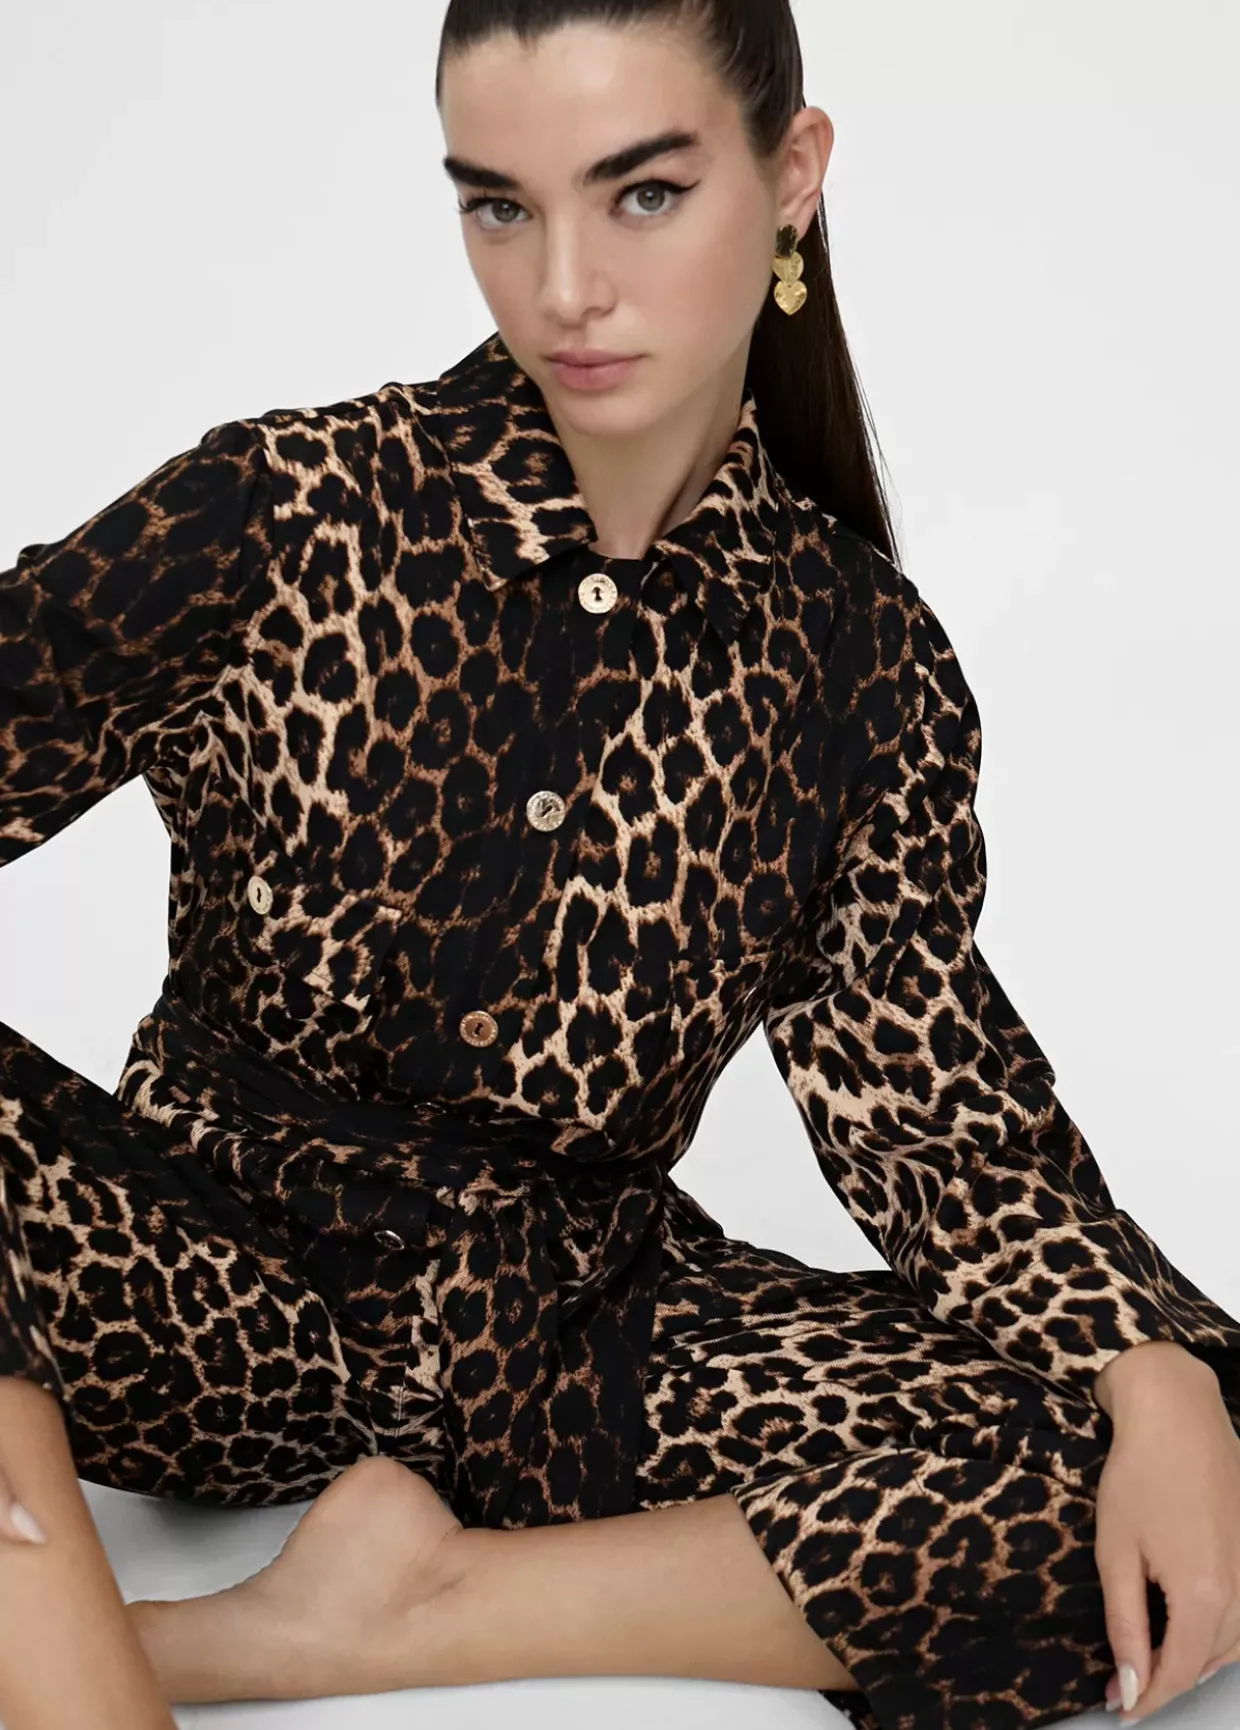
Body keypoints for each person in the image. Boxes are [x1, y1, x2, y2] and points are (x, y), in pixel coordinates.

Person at [1, 4, 1239, 1728]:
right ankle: (60, 1645)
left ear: (792, 176)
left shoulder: (857, 668)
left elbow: (932, 1116)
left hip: (567, 1347)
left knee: (1179, 1472)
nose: (564, 285)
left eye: (642, 195)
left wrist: (1155, 1368)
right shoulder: (289, 513)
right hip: (187, 1295)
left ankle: (376, 1617)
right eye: (499, 205)